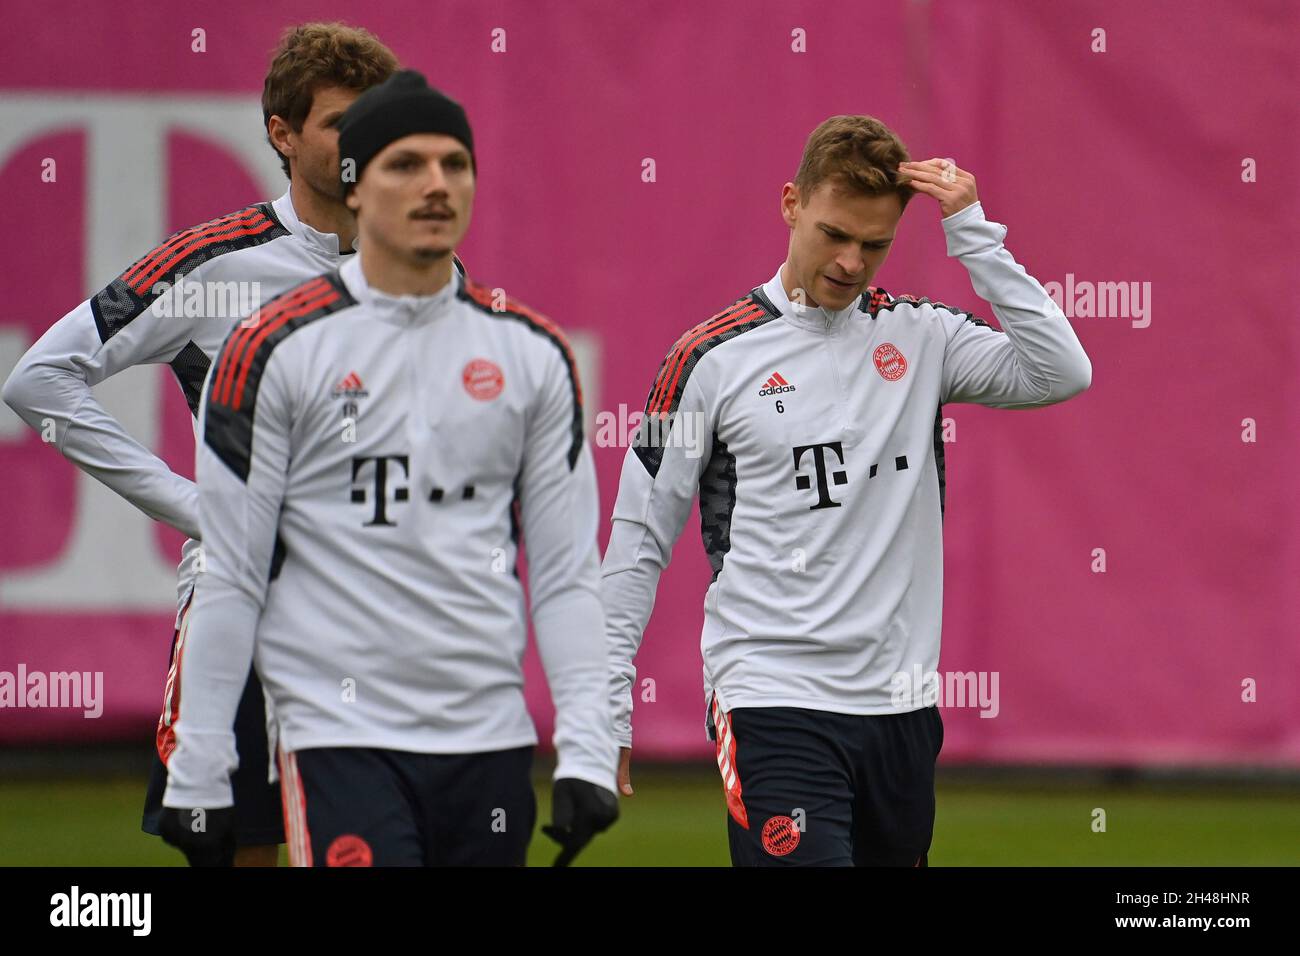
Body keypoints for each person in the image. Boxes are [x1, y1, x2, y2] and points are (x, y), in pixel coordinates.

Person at [602, 115, 1092, 866]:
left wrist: (972, 232)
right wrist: (603, 707)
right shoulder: (707, 359)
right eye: (835, 233)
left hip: (900, 708)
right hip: (772, 698)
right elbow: (637, 542)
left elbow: (1062, 370)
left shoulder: (923, 338)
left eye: (875, 244)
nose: (850, 261)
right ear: (791, 203)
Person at [160, 70, 618, 867]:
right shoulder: (270, 348)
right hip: (339, 736)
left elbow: (566, 574)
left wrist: (586, 744)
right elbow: (233, 575)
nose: (436, 184)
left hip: (490, 741)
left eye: (455, 163)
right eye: (405, 164)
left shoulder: (535, 355)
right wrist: (200, 767)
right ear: (357, 186)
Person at [1, 22, 402, 866]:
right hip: (247, 613)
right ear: (283, 135)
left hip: (382, 622)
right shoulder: (216, 263)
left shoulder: (424, 269)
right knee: (242, 852)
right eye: (339, 122)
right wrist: (197, 510)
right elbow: (38, 379)